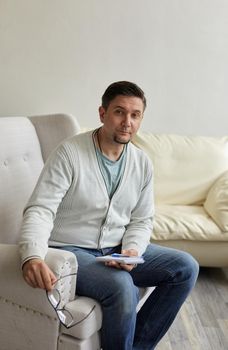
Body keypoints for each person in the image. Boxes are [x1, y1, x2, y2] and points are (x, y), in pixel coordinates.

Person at [19, 81, 199, 350]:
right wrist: (31, 255)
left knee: (186, 267)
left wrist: (132, 250)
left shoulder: (141, 163)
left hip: (114, 249)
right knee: (122, 286)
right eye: (119, 112)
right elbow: (40, 209)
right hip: (70, 250)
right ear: (102, 113)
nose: (127, 122)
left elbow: (142, 219)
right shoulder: (69, 153)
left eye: (135, 115)